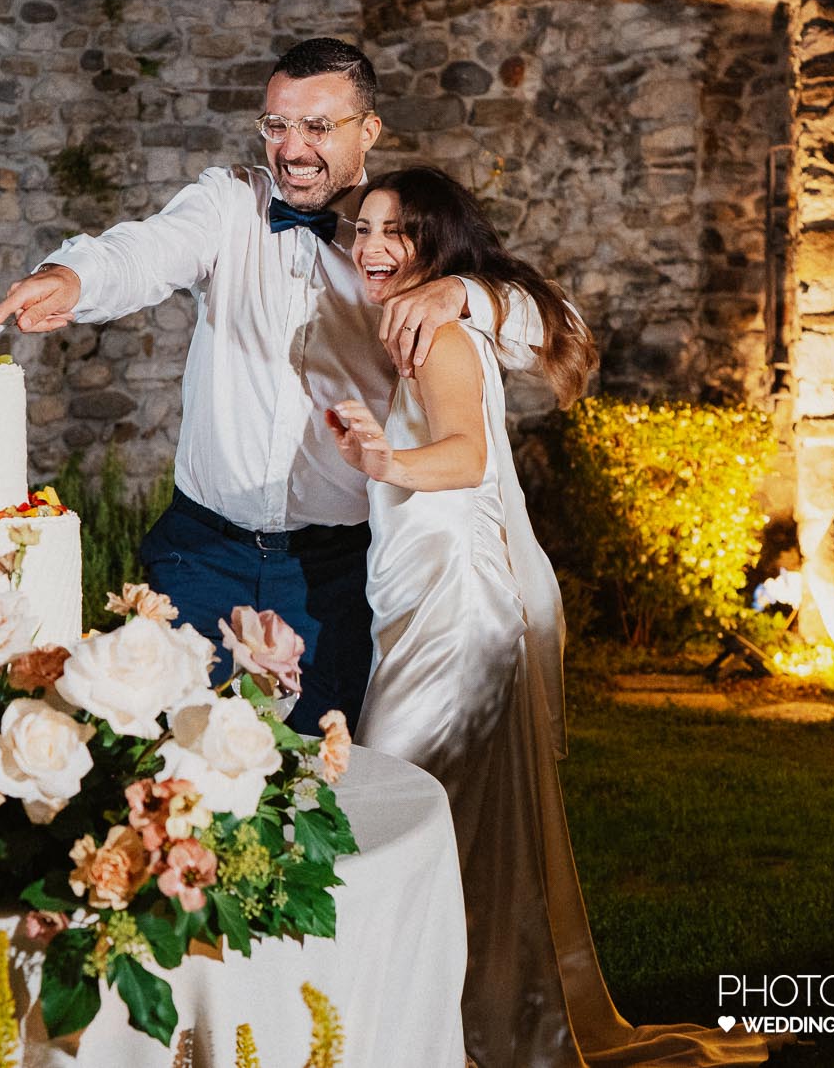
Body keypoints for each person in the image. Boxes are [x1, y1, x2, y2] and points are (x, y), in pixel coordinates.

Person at [329, 167, 772, 1068]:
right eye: (363, 228)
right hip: (427, 601)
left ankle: (437, 1031)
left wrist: (382, 457)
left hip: (457, 612)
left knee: (410, 812)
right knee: (453, 822)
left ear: (437, 247)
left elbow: (463, 458)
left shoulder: (445, 329)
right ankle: (456, 1026)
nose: (371, 247)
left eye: (395, 232)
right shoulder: (418, 322)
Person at [0, 38, 541, 735]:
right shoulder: (228, 203)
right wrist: (73, 277)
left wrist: (461, 292)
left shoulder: (402, 242)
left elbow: (546, 322)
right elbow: (144, 251)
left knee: (319, 786)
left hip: (334, 574)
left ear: (368, 130)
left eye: (318, 126)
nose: (293, 147)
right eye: (277, 125)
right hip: (200, 558)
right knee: (170, 774)